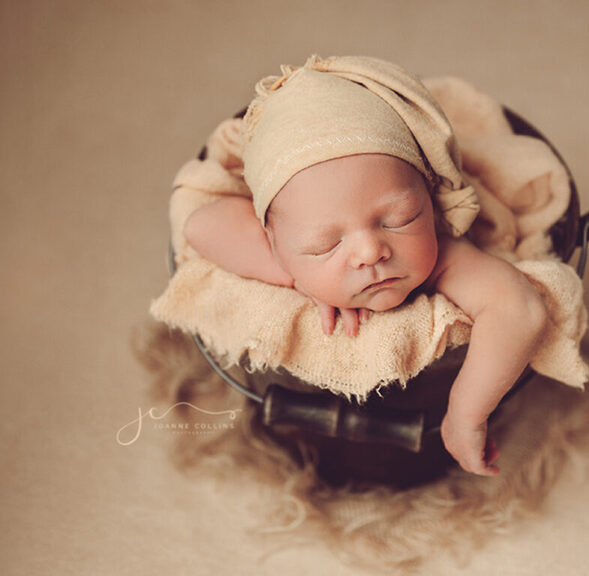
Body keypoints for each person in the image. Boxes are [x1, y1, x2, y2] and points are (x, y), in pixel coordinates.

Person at [183, 56, 547, 477]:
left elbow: (520, 308)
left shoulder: (444, 256)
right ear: (276, 244)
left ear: (430, 199)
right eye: (324, 244)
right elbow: (202, 224)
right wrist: (296, 278)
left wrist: (465, 414)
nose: (371, 251)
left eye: (400, 218)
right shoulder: (283, 254)